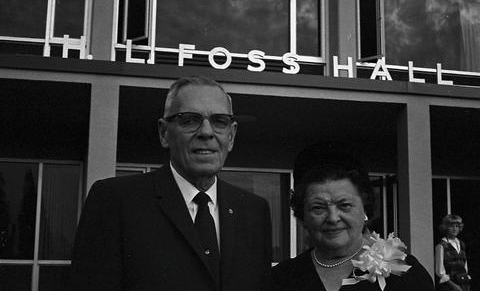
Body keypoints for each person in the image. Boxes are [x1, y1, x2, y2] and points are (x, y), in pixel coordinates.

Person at [69, 76, 272, 291]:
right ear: (164, 133)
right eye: (190, 120)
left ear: (231, 136)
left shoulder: (254, 211)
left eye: (219, 121)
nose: (206, 132)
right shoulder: (114, 201)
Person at [272, 149, 435, 291]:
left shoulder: (404, 272)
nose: (333, 218)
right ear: (302, 217)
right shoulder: (281, 278)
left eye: (345, 205)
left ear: (365, 209)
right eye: (318, 208)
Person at [435, 214, 471, 291]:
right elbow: (439, 271)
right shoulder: (441, 246)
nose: (454, 229)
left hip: (463, 282)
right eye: (451, 226)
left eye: (457, 226)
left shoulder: (461, 244)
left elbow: (464, 265)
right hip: (450, 284)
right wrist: (453, 286)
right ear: (446, 227)